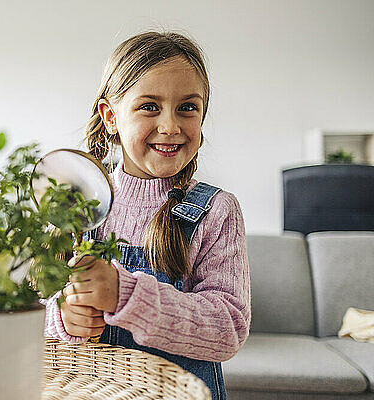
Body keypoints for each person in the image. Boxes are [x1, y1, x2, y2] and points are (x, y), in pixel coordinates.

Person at [43, 31, 250, 400]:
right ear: (110, 116)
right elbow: (41, 307)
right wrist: (63, 318)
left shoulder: (217, 211)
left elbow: (228, 328)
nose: (170, 126)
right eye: (149, 106)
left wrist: (124, 295)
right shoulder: (77, 205)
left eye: (188, 107)